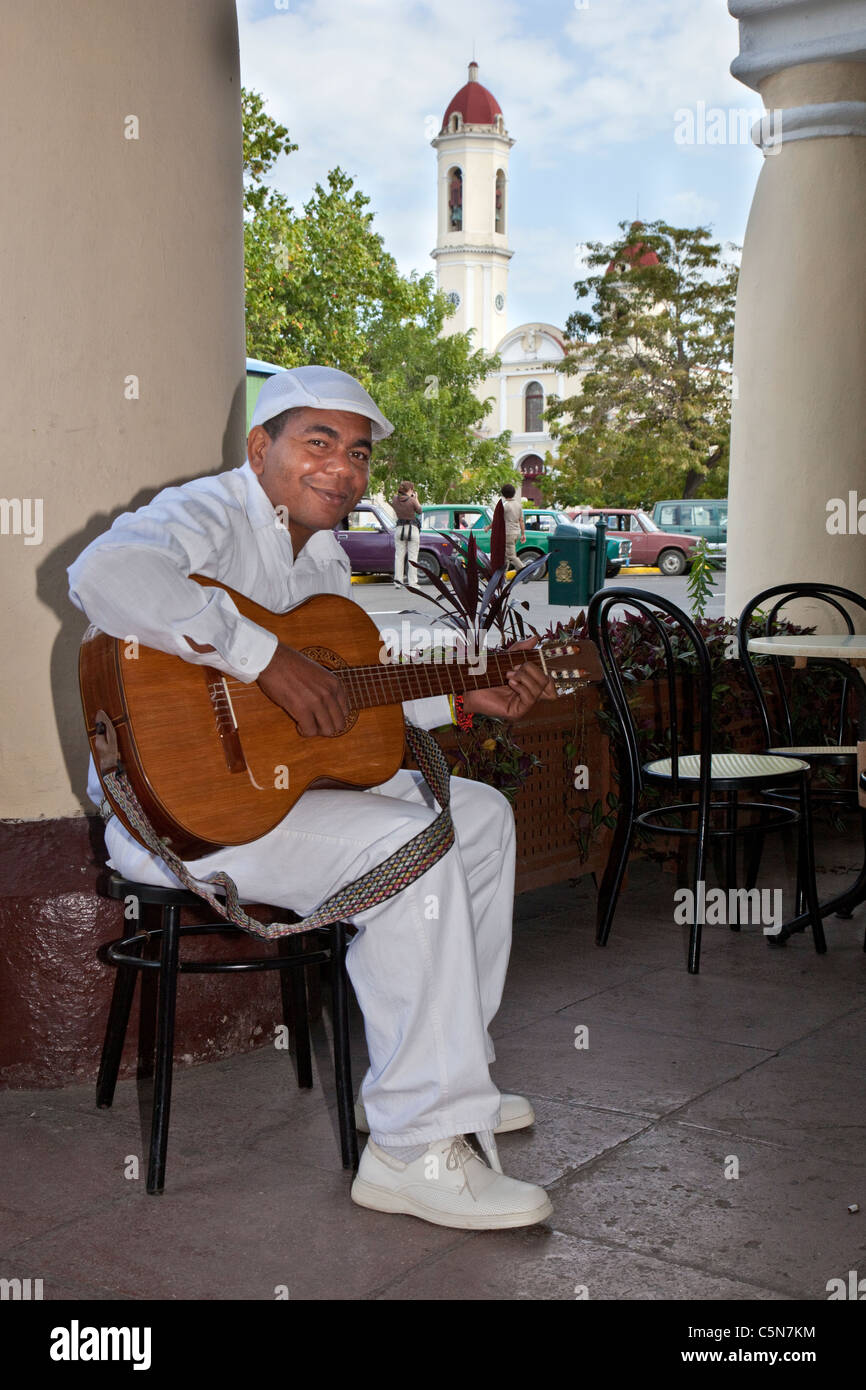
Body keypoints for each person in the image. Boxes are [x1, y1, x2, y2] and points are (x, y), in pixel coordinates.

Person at [68, 366, 558, 1231]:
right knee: (409, 852)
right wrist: (263, 658)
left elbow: (341, 694)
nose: (343, 469)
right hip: (180, 817)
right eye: (318, 444)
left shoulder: (322, 551)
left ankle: (446, 1081)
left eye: (358, 453)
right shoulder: (206, 511)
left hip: (275, 799)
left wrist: (457, 697)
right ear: (262, 449)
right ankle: (412, 1154)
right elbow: (104, 576)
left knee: (478, 817)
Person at [390, 479, 421, 585]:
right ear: (411, 490)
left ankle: (398, 582)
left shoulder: (394, 499)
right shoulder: (412, 500)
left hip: (399, 528)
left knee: (399, 556)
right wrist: (416, 499)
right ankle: (413, 583)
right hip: (412, 529)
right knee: (412, 557)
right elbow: (419, 511)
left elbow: (397, 502)